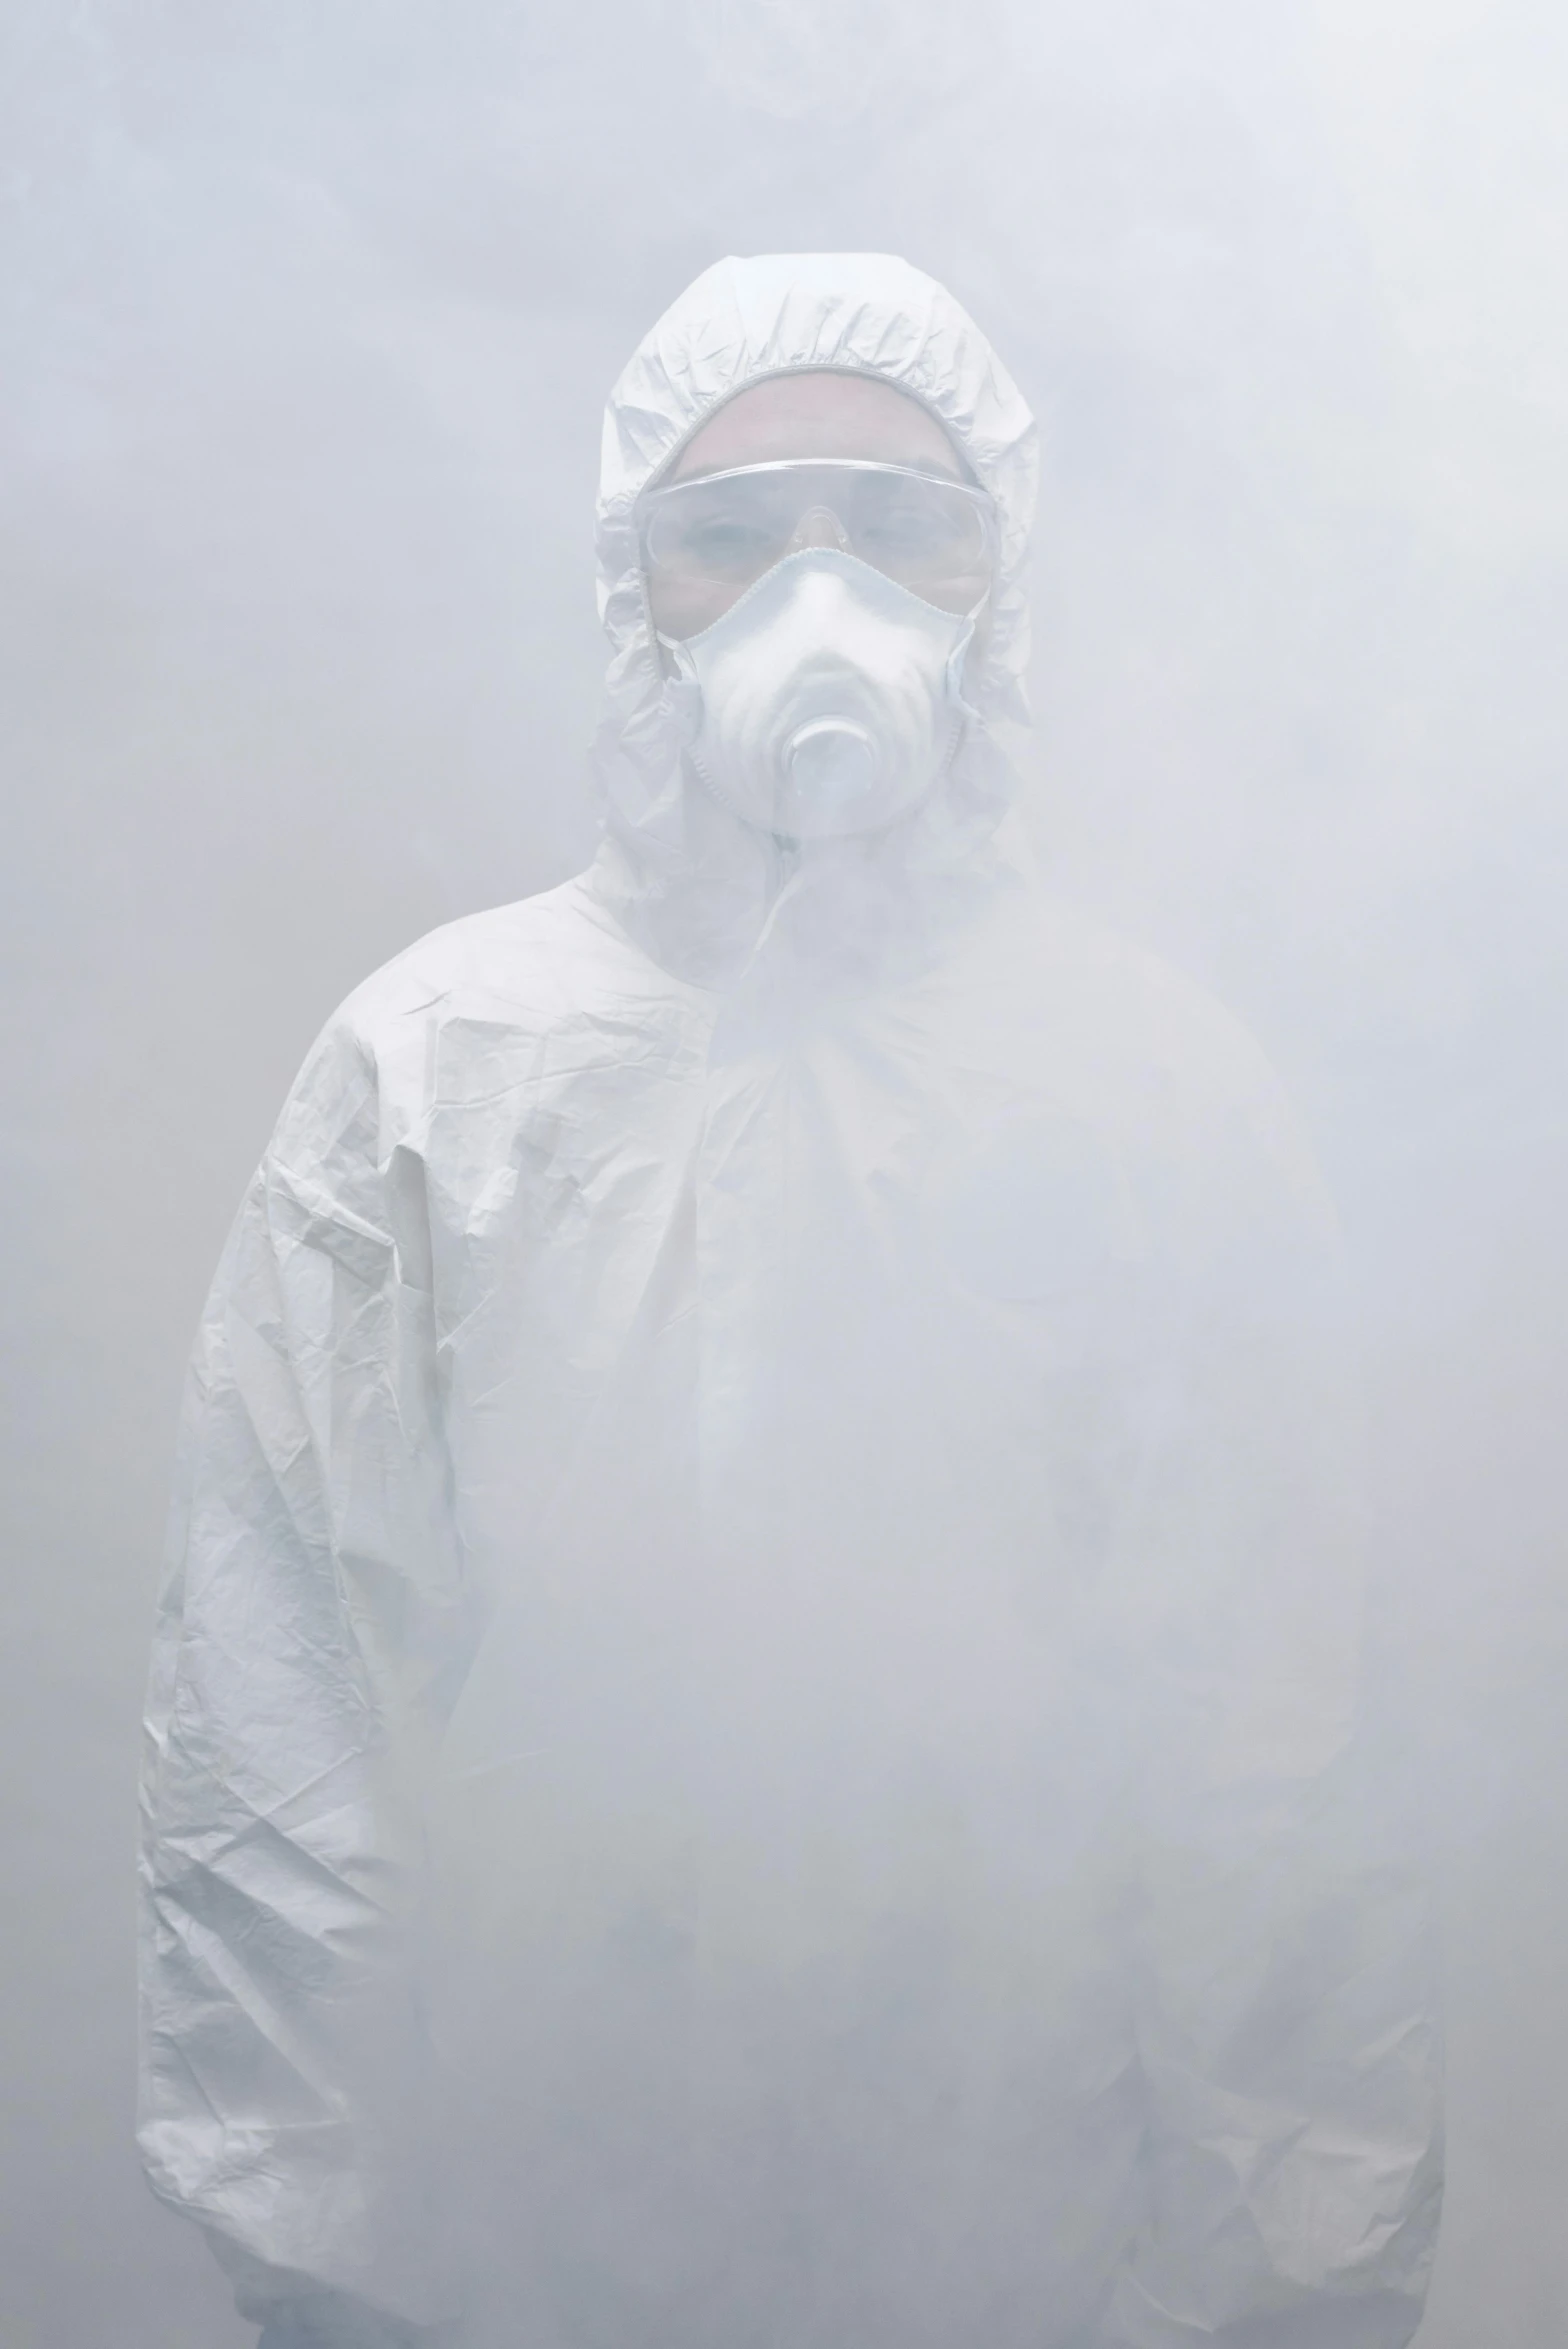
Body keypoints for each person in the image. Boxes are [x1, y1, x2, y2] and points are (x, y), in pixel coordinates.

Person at [139, 253, 1442, 2349]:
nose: (810, 600)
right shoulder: (440, 1069)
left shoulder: (1145, 1090)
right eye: (728, 537)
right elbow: (282, 1720)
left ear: (993, 586)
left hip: (1025, 2224)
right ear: (624, 588)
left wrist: (1289, 2285)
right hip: (533, 2218)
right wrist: (322, 2252)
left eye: (895, 526)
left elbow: (1262, 1760)